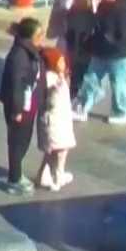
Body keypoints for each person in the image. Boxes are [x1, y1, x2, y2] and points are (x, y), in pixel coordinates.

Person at [74, 0, 126, 126]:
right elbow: (97, 24)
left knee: (118, 84)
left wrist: (110, 39)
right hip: (100, 52)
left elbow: (125, 35)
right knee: (90, 80)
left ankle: (123, 112)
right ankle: (82, 108)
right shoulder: (103, 6)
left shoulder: (123, 11)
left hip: (118, 55)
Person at [0, 18, 42, 194]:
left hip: (29, 103)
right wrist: (16, 110)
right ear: (29, 36)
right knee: (17, 142)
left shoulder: (30, 51)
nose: (41, 38)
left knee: (24, 140)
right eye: (38, 34)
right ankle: (14, 179)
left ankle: (16, 172)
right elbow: (16, 84)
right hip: (20, 106)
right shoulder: (19, 56)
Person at [37, 47, 76, 191]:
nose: (63, 63)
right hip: (54, 120)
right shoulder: (50, 77)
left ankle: (43, 175)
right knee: (60, 150)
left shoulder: (59, 75)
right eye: (60, 61)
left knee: (53, 150)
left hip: (60, 119)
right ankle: (57, 176)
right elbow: (47, 94)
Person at [60, 0, 97, 102]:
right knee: (81, 75)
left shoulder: (71, 14)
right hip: (84, 50)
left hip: (74, 50)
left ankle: (73, 97)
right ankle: (78, 98)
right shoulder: (91, 16)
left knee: (75, 76)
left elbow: (67, 32)